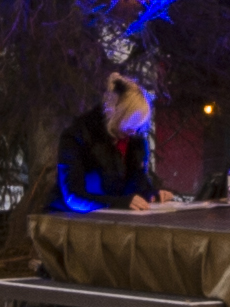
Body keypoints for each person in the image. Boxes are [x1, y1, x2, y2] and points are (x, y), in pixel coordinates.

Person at [55, 71, 169, 211]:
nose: (133, 131)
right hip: (71, 220)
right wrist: (117, 203)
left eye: (138, 125)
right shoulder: (77, 136)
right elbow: (73, 197)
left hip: (111, 220)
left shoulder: (134, 140)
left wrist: (151, 194)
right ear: (115, 113)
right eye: (130, 123)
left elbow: (136, 181)